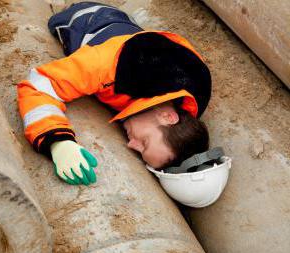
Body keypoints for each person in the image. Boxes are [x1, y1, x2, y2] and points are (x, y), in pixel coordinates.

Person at [17, 1, 211, 186]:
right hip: (89, 17)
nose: (131, 145)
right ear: (168, 116)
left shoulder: (192, 96)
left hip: (132, 30)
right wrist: (57, 141)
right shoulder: (110, 67)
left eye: (139, 150)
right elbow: (38, 86)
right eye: (144, 142)